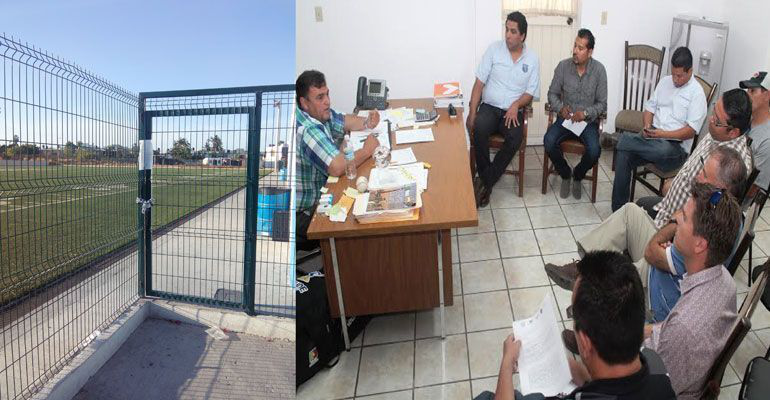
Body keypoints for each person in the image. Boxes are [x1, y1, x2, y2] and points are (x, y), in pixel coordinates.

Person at [545, 146, 746, 322]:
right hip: (666, 265)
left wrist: (676, 221)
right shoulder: (722, 211)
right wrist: (673, 230)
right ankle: (584, 270)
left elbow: (652, 254)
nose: (697, 176)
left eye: (703, 173)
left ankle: (590, 309)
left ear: (720, 189)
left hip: (658, 296)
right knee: (631, 212)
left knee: (631, 268)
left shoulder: (711, 227)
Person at [475, 251, 676, 400]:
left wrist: (507, 363)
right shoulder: (662, 380)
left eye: (574, 315)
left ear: (585, 342)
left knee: (486, 397)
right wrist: (578, 372)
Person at [642, 183, 741, 399]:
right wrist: (642, 331)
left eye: (684, 217)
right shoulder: (725, 281)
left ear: (700, 245)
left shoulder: (684, 328)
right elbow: (669, 330)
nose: (676, 217)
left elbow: (651, 392)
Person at [612, 47, 707, 211]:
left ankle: (621, 139)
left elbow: (690, 131)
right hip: (652, 138)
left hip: (674, 148)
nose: (675, 79)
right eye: (674, 74)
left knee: (660, 148)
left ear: (690, 70)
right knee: (624, 154)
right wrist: (648, 126)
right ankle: (619, 210)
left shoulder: (696, 94)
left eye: (680, 76)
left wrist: (661, 134)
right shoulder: (665, 81)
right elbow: (649, 108)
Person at [635, 89, 753, 222]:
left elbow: (707, 218)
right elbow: (693, 167)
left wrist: (672, 225)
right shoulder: (718, 133)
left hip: (679, 224)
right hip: (667, 206)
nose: (711, 119)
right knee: (638, 206)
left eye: (717, 120)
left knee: (631, 218)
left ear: (733, 132)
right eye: (714, 111)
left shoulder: (734, 166)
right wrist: (675, 183)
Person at [295, 70, 380, 250]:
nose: (327, 101)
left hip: (321, 193)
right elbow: (337, 167)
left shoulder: (318, 112)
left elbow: (344, 120)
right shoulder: (307, 129)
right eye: (320, 97)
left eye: (327, 94)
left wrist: (367, 122)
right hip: (303, 214)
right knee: (358, 217)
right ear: (304, 102)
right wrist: (367, 150)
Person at [468, 11, 540, 208]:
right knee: (479, 128)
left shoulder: (532, 59)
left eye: (513, 31)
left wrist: (516, 104)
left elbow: (530, 93)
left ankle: (483, 181)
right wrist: (472, 111)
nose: (508, 34)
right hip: (490, 107)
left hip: (513, 110)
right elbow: (479, 83)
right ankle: (486, 181)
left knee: (515, 138)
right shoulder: (494, 50)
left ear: (522, 36)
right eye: (506, 29)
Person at [544, 28, 607, 200]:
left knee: (594, 151)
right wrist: (560, 108)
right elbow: (552, 93)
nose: (575, 51)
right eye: (574, 46)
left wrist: (586, 113)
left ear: (590, 51)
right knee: (548, 141)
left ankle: (578, 175)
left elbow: (602, 104)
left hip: (587, 123)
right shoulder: (563, 66)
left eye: (580, 48)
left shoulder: (599, 71)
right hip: (566, 120)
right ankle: (565, 173)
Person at [742, 71, 770, 190]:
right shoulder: (744, 119)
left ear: (767, 95)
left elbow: (754, 189)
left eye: (753, 91)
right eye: (747, 91)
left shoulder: (767, 140)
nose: (748, 95)